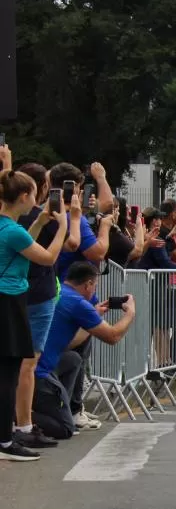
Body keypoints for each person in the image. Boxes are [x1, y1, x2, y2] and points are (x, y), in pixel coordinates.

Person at [0, 154, 69, 461]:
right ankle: (5, 440)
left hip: (9, 299)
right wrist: (65, 224)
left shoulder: (8, 227)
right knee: (8, 374)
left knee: (9, 371)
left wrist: (41, 222)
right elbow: (47, 257)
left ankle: (5, 435)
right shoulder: (11, 231)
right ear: (25, 196)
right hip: (8, 301)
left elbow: (24, 247)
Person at [14, 164, 83, 449]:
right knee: (27, 363)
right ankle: (23, 425)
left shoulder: (23, 221)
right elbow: (59, 250)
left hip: (23, 295)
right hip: (36, 295)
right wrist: (72, 219)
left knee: (15, 363)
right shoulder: (31, 221)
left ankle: (17, 425)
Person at [32, 262, 136, 439]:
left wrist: (93, 317)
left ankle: (62, 405)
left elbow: (70, 343)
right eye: (94, 286)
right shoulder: (79, 303)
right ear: (88, 284)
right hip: (39, 371)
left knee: (73, 359)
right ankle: (16, 414)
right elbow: (112, 336)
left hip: (34, 361)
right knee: (65, 429)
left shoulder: (60, 291)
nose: (94, 291)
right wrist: (130, 314)